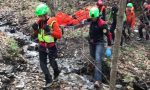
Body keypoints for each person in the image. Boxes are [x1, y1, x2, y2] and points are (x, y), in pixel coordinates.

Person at [31, 3, 62, 87]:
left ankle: (56, 71)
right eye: (39, 16)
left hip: (51, 46)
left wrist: (50, 31)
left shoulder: (52, 22)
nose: (40, 17)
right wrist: (35, 30)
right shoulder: (39, 22)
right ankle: (48, 79)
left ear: (45, 14)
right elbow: (35, 35)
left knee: (52, 63)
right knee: (42, 64)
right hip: (42, 46)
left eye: (41, 15)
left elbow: (59, 35)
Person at [88, 7, 112, 88]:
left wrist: (109, 47)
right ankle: (99, 69)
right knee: (94, 57)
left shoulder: (102, 24)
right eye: (92, 17)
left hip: (99, 43)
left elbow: (109, 35)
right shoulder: (91, 20)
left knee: (98, 59)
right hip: (92, 43)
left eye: (94, 17)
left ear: (97, 16)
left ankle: (98, 80)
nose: (92, 19)